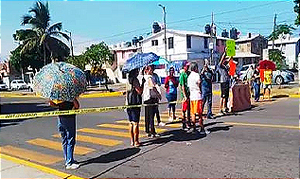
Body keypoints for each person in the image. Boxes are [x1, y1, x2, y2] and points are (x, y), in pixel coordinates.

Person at [49, 99, 80, 170]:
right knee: (70, 140)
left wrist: (51, 100)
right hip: (69, 118)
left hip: (61, 118)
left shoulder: (59, 97)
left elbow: (52, 104)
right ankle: (69, 163)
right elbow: (77, 106)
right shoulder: (70, 96)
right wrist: (74, 98)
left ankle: (68, 159)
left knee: (64, 140)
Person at [126, 69, 145, 147]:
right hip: (135, 103)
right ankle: (136, 141)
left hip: (128, 103)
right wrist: (143, 83)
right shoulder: (135, 80)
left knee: (131, 123)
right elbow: (139, 91)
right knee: (135, 123)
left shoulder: (128, 80)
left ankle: (132, 140)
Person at [187, 62, 206, 134]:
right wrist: (201, 90)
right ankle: (201, 128)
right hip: (197, 95)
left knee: (193, 113)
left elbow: (189, 87)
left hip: (192, 96)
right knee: (200, 113)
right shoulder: (196, 75)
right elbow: (199, 83)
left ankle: (194, 128)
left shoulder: (189, 77)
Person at [143, 65, 161, 138]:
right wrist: (158, 94)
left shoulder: (145, 77)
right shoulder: (149, 77)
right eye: (150, 69)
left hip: (146, 98)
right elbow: (152, 87)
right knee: (151, 116)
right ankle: (152, 131)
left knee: (147, 115)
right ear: (146, 70)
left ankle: (148, 130)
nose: (152, 71)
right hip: (150, 98)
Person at [179, 61, 191, 130]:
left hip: (189, 93)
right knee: (184, 110)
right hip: (185, 94)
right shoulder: (182, 75)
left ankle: (188, 122)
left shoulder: (189, 73)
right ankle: (184, 123)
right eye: (187, 66)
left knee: (189, 109)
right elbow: (182, 86)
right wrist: (184, 96)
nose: (188, 67)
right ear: (184, 66)